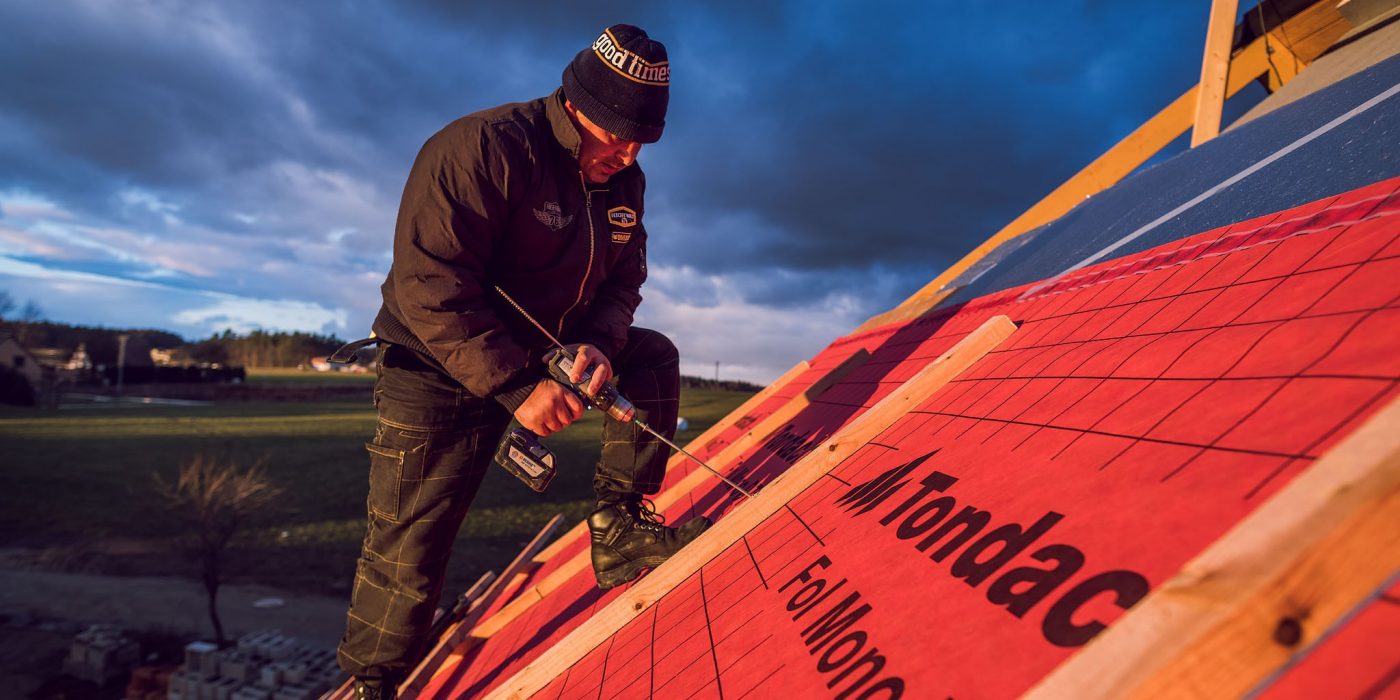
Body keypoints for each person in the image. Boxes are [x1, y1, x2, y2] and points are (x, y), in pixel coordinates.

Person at [335, 24, 710, 698]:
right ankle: (374, 682)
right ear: (574, 103)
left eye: (641, 140)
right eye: (613, 132)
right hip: (436, 366)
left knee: (650, 358)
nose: (624, 153)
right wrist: (516, 385)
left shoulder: (624, 181)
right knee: (411, 549)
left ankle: (619, 529)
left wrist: (596, 342)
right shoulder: (484, 148)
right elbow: (430, 286)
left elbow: (624, 282)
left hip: (545, 354)